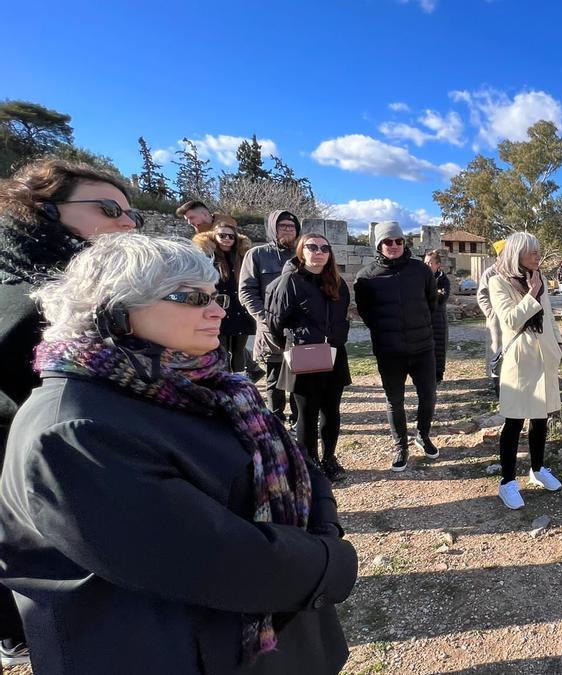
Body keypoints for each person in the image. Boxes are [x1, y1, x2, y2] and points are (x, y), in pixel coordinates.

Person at [0, 233, 356, 674]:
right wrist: (332, 562)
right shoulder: (73, 432)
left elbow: (292, 459)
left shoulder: (203, 385)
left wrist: (325, 523)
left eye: (214, 295)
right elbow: (215, 560)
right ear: (114, 310)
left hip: (254, 635)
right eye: (189, 297)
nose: (218, 311)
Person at [0, 159, 140, 667]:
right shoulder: (33, 299)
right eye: (109, 209)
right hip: (49, 491)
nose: (126, 222)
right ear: (46, 209)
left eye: (131, 214)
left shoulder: (84, 283)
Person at [353, 222, 439, 473]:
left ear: (404, 243)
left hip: (422, 347)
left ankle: (423, 435)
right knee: (395, 401)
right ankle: (400, 445)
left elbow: (431, 303)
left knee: (429, 396)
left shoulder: (421, 271)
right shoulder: (366, 276)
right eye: (387, 242)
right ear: (379, 245)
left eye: (398, 241)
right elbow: (366, 313)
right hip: (390, 351)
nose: (393, 246)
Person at [266, 232, 352, 481]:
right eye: (312, 247)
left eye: (324, 248)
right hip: (304, 354)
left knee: (332, 410)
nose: (319, 252)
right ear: (302, 251)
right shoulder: (290, 281)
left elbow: (341, 313)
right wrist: (294, 344)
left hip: (334, 353)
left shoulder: (337, 282)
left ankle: (329, 458)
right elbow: (274, 322)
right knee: (306, 413)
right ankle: (310, 464)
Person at [488, 232, 562, 510]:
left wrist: (557, 342)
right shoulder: (499, 282)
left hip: (544, 355)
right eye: (531, 251)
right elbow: (510, 320)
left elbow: (549, 315)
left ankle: (538, 468)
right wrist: (531, 294)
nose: (537, 256)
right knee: (515, 420)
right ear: (517, 254)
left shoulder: (539, 277)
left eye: (537, 251)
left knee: (541, 416)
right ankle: (507, 482)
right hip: (520, 359)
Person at [240, 210, 299, 422]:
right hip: (271, 328)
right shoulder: (257, 255)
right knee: (274, 378)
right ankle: (275, 418)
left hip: (298, 327)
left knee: (298, 375)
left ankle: (297, 419)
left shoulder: (303, 254)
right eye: (282, 226)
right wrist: (264, 318)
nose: (288, 230)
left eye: (291, 227)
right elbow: (246, 291)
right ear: (273, 229)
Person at [193, 215, 261, 378]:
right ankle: (224, 380)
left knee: (239, 351)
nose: (227, 239)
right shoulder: (208, 257)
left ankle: (240, 381)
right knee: (220, 349)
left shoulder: (242, 256)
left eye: (231, 236)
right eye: (222, 235)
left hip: (240, 308)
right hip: (219, 308)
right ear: (214, 237)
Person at [476, 240, 506, 395]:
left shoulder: (514, 270)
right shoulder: (490, 272)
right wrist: (491, 312)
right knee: (496, 350)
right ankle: (497, 385)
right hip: (496, 319)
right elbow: (482, 296)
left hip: (512, 318)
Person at [425, 249, 451, 383]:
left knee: (439, 347)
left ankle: (438, 374)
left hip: (438, 319)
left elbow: (442, 297)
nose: (428, 265)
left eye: (430, 263)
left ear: (437, 265)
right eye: (426, 262)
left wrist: (432, 294)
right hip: (423, 318)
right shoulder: (421, 278)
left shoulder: (443, 279)